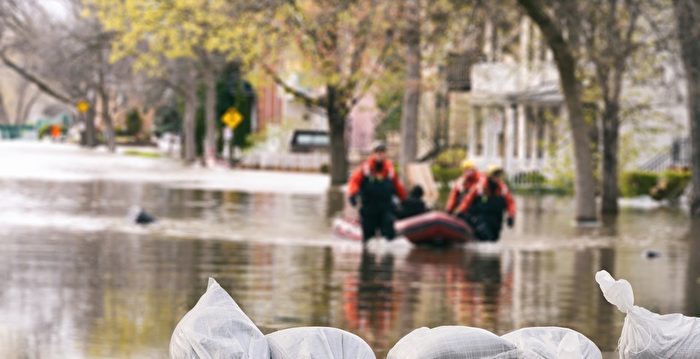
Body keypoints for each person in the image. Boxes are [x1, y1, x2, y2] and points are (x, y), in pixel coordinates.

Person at [347, 142, 407, 242]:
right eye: (377, 152)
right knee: (368, 239)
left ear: (385, 154)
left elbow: (398, 186)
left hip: (386, 208)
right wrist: (353, 194)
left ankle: (388, 255)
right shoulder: (365, 169)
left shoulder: (390, 170)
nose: (380, 154)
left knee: (389, 235)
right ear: (373, 154)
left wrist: (405, 200)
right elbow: (354, 182)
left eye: (382, 152)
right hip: (369, 209)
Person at [455, 165, 515, 241]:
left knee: (494, 239)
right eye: (495, 174)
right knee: (485, 236)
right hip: (481, 218)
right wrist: (460, 211)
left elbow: (510, 203)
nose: (497, 177)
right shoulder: (479, 187)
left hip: (496, 220)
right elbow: (467, 200)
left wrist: (511, 216)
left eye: (498, 175)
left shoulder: (503, 188)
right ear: (489, 176)